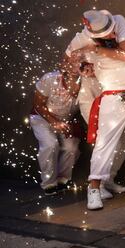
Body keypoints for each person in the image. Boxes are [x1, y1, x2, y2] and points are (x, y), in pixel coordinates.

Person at [65, 9, 125, 210]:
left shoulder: (119, 19)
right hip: (112, 94)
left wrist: (96, 50)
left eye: (112, 31)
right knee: (104, 143)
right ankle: (94, 189)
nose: (113, 35)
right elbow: (67, 60)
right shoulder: (81, 38)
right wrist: (81, 68)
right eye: (107, 35)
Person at [77, 62, 125, 199]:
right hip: (91, 102)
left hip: (112, 102)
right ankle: (97, 185)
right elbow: (73, 62)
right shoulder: (88, 46)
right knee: (105, 142)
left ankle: (108, 180)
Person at [30, 62, 81, 195]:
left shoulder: (85, 85)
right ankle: (49, 183)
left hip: (67, 120)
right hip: (41, 118)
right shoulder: (50, 79)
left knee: (72, 148)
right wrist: (54, 122)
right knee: (50, 144)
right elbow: (38, 105)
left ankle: (62, 180)